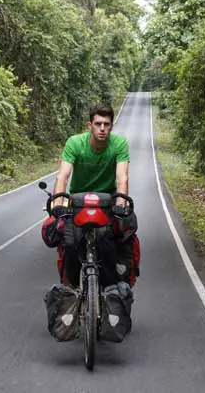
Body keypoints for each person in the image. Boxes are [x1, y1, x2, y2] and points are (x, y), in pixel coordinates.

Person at [41, 103, 140, 288]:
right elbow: (62, 175)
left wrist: (121, 203)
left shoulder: (119, 144)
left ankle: (112, 286)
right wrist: (58, 203)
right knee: (68, 244)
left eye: (106, 124)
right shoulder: (75, 143)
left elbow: (122, 177)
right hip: (77, 204)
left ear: (111, 126)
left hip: (107, 204)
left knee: (115, 242)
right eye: (98, 124)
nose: (102, 128)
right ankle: (69, 287)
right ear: (90, 126)